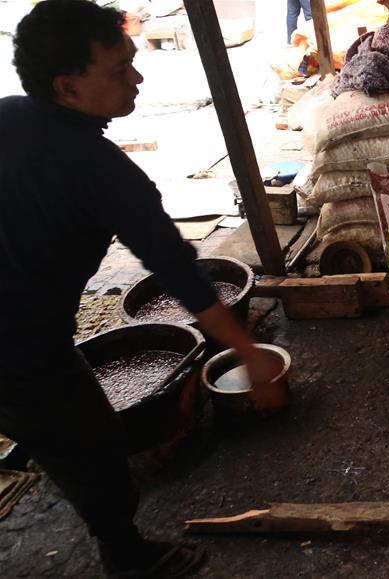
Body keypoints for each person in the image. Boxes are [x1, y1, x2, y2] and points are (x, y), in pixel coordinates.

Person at [0, 1, 280, 576]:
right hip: (19, 347)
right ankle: (128, 559)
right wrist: (248, 353)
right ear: (67, 87)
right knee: (95, 446)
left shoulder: (6, 116)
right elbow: (183, 276)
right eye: (119, 69)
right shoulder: (104, 173)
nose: (138, 77)